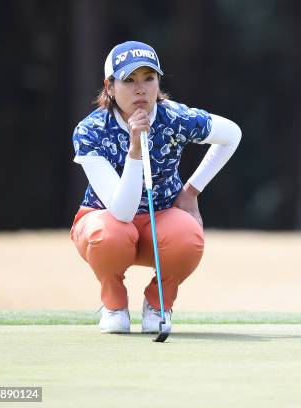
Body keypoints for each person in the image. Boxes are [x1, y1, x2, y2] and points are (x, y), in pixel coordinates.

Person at [70, 41, 241, 334]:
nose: (141, 89)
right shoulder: (90, 131)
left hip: (160, 219)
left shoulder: (174, 118)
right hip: (106, 221)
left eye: (149, 78)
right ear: (109, 87)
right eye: (129, 80)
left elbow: (231, 135)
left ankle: (157, 303)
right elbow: (121, 212)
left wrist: (192, 190)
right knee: (109, 235)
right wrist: (135, 150)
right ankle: (113, 304)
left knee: (188, 235)